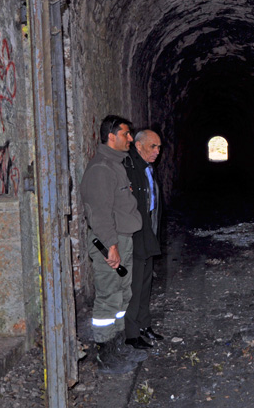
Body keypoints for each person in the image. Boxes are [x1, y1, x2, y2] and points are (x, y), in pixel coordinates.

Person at [80, 115, 145, 374]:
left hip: (122, 239)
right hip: (110, 241)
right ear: (111, 136)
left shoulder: (117, 165)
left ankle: (118, 345)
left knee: (122, 293)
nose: (131, 138)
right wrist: (111, 246)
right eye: (126, 134)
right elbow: (99, 213)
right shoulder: (101, 169)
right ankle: (105, 353)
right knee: (108, 296)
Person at [124, 129, 164, 349]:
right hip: (136, 234)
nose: (157, 152)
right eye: (153, 147)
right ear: (138, 146)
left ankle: (144, 324)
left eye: (159, 147)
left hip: (149, 231)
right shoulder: (130, 169)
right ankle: (131, 333)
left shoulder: (148, 168)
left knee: (146, 282)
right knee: (134, 284)